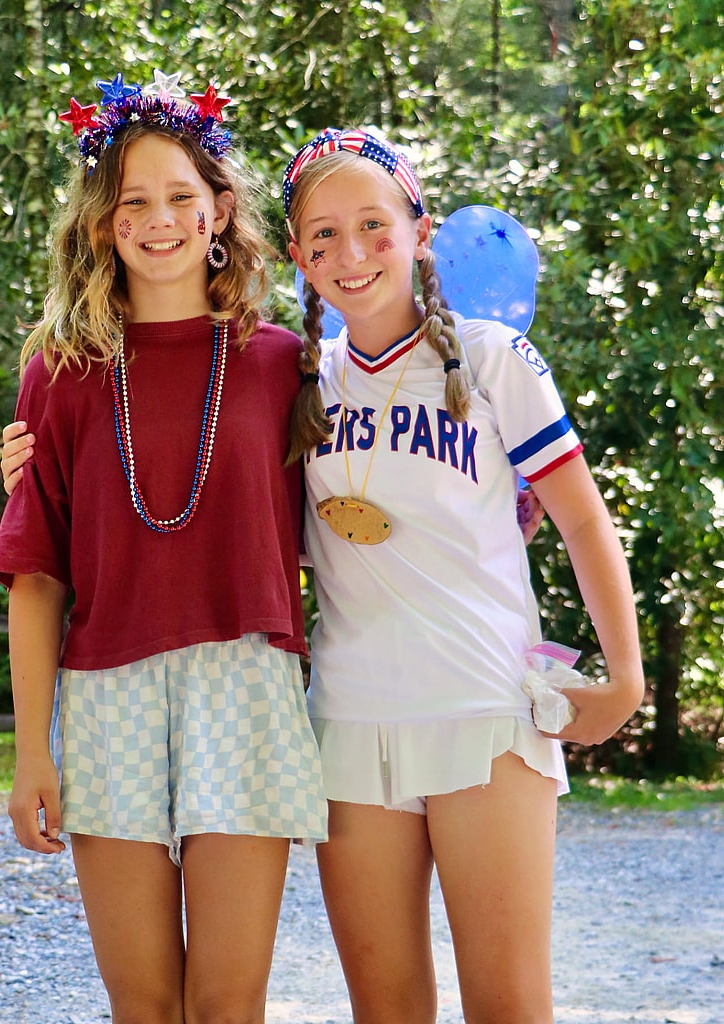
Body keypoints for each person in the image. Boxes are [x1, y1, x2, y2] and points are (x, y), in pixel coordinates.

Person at [278, 127, 645, 1024]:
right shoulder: (295, 381)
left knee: (508, 1006)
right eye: (321, 234)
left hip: (484, 715)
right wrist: (39, 462)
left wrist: (625, 676)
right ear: (296, 254)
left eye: (372, 224)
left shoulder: (490, 359)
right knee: (386, 1009)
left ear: (419, 231)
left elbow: (582, 518)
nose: (349, 252)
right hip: (350, 726)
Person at [0, 68, 328, 1024]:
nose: (160, 218)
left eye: (182, 196)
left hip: (246, 683)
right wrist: (30, 753)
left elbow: (354, 512)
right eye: (133, 200)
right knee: (143, 1002)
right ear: (103, 224)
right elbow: (36, 573)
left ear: (219, 211)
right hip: (108, 697)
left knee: (226, 1002)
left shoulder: (279, 361)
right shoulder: (59, 374)